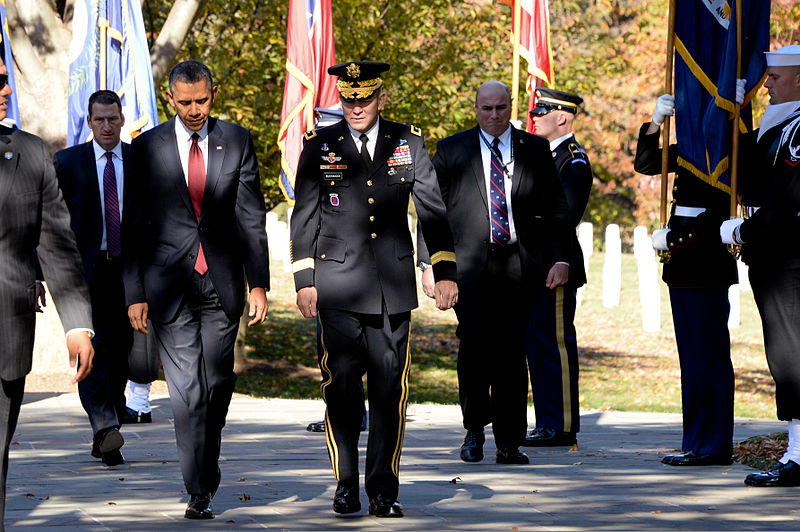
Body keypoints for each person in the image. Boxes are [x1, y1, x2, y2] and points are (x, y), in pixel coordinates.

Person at [290, 61, 458, 518]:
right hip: (338, 288)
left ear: (381, 97)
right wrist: (304, 281)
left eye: (364, 99)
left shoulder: (408, 142)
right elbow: (304, 214)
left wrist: (443, 271)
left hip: (391, 290)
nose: (356, 107)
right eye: (348, 99)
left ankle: (383, 488)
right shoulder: (320, 145)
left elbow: (433, 211)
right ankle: (346, 483)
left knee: (388, 392)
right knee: (341, 389)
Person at [123, 60, 269, 519]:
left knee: (217, 384)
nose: (194, 110)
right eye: (185, 103)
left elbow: (250, 217)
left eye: (201, 101)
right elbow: (133, 226)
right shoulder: (146, 148)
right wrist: (134, 292)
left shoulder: (238, 140)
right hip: (169, 285)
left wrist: (260, 282)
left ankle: (207, 459)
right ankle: (199, 486)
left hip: (222, 282)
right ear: (171, 100)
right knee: (187, 390)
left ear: (214, 92)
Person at [419, 81, 572, 466]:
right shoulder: (453, 150)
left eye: (501, 108)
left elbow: (557, 210)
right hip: (468, 270)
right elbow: (431, 212)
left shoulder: (534, 150)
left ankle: (509, 441)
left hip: (520, 267)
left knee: (510, 355)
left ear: (510, 107)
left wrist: (561, 258)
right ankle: (474, 429)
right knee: (474, 350)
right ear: (475, 108)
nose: (494, 115)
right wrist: (430, 267)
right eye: (486, 108)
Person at [0, 55, 94, 526]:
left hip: (6, 333)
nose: (5, 90)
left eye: (5, 79)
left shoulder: (32, 154)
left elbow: (57, 244)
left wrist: (77, 324)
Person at [634, 87, 738, 466]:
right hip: (684, 266)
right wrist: (656, 122)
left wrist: (675, 237)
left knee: (708, 357)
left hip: (704, 263)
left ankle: (712, 445)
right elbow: (646, 164)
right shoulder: (692, 149)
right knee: (692, 359)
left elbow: (719, 215)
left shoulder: (726, 151)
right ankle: (696, 440)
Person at [720, 45, 800, 486]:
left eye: (775, 78)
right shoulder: (781, 125)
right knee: (787, 356)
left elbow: (788, 197)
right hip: (775, 256)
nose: (766, 85)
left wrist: (741, 232)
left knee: (792, 358)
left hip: (788, 256)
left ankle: (798, 455)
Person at [54, 90, 132, 466]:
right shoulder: (68, 163)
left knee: (121, 352)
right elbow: (50, 225)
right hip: (84, 271)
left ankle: (109, 422)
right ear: (89, 121)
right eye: (99, 120)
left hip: (127, 271)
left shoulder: (138, 160)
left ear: (121, 119)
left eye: (112, 119)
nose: (106, 126)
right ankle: (104, 427)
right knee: (91, 350)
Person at [522, 88, 592, 448]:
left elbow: (564, 216)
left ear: (562, 117)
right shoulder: (543, 155)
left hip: (555, 263)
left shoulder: (573, 161)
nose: (534, 117)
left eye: (542, 112)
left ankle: (562, 425)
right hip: (534, 264)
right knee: (537, 342)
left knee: (556, 345)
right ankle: (547, 420)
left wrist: (560, 260)